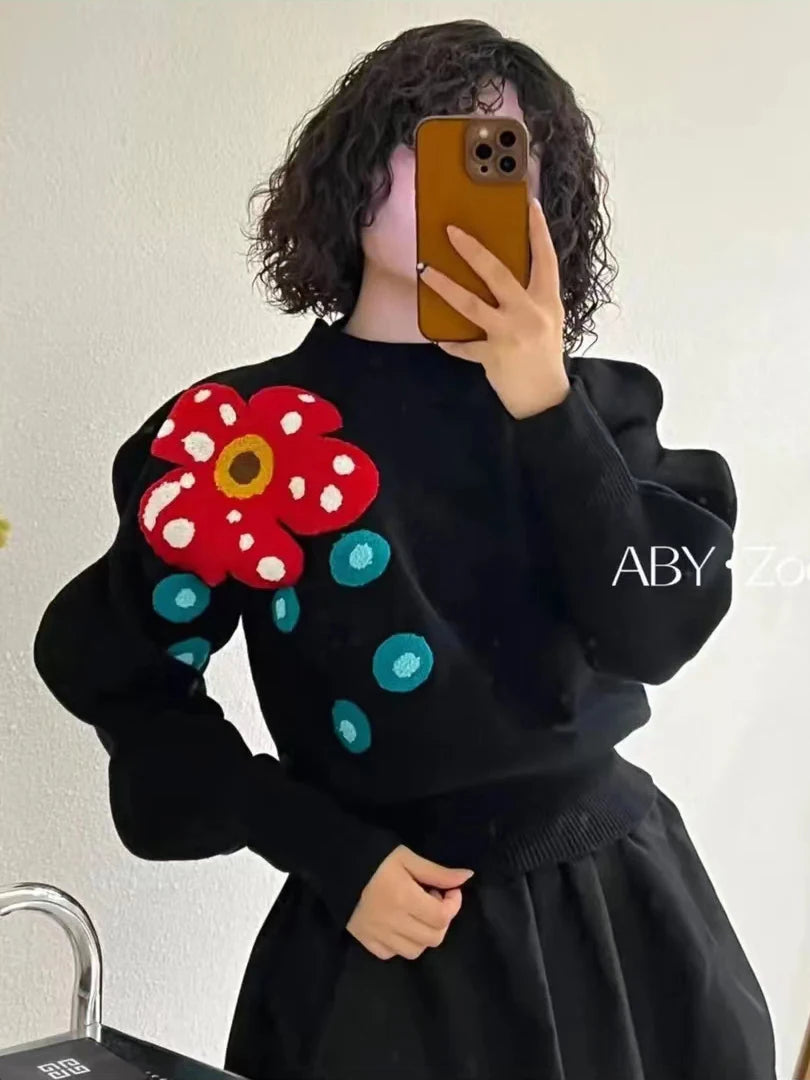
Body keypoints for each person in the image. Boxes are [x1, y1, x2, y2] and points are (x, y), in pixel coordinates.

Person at [33, 18, 777, 1080]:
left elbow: (652, 629)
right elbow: (113, 668)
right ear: (356, 169)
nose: (460, 177)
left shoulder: (600, 414)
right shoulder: (246, 440)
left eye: (499, 155)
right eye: (431, 139)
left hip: (623, 928)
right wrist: (316, 841)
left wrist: (547, 404)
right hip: (388, 941)